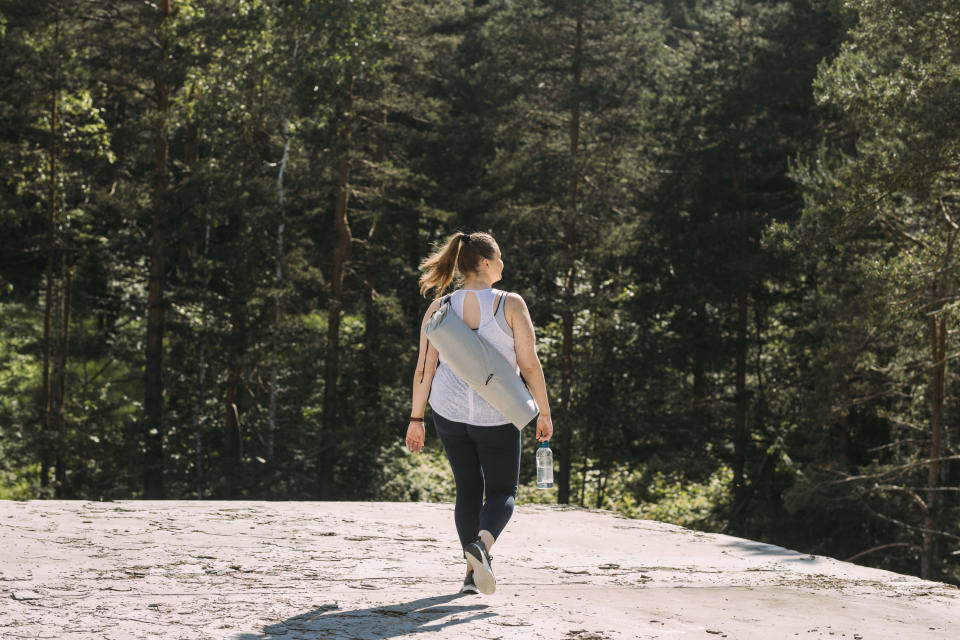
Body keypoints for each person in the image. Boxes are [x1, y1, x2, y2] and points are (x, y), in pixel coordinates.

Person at [406, 231, 554, 595]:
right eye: (500, 258)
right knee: (502, 490)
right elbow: (530, 365)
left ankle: (472, 575)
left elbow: (424, 369)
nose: (503, 264)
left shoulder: (440, 307)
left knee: (467, 491)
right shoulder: (510, 303)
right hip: (498, 414)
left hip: (449, 413)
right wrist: (544, 413)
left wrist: (416, 418)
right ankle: (481, 546)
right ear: (486, 264)